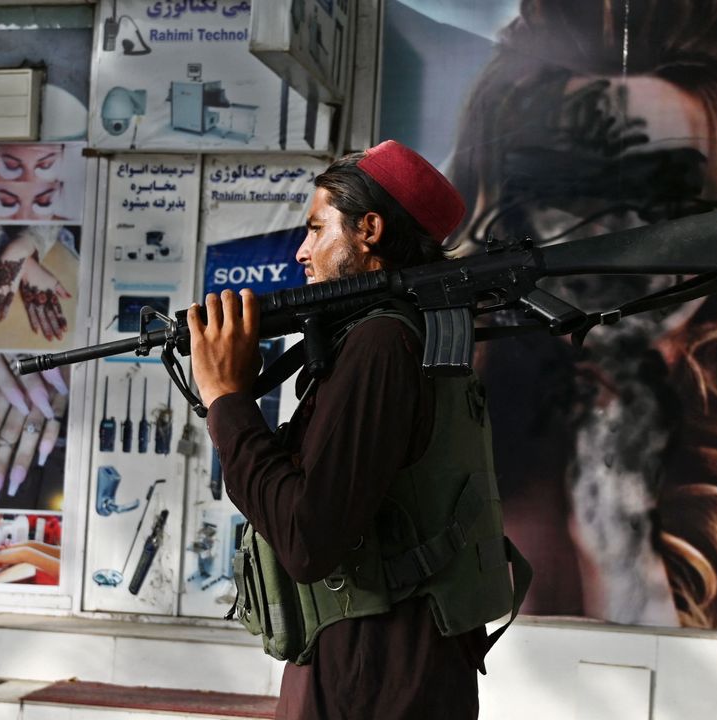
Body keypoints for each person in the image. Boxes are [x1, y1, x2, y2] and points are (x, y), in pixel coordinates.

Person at [444, 0, 717, 628]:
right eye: (568, 190)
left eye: (666, 200)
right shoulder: (437, 411)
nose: (607, 237)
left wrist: (620, 546)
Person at [189, 140, 523, 719]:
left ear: (369, 229)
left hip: (370, 678)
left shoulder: (382, 342)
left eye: (318, 228)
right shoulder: (401, 333)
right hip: (386, 667)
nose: (302, 251)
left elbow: (306, 538)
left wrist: (227, 400)